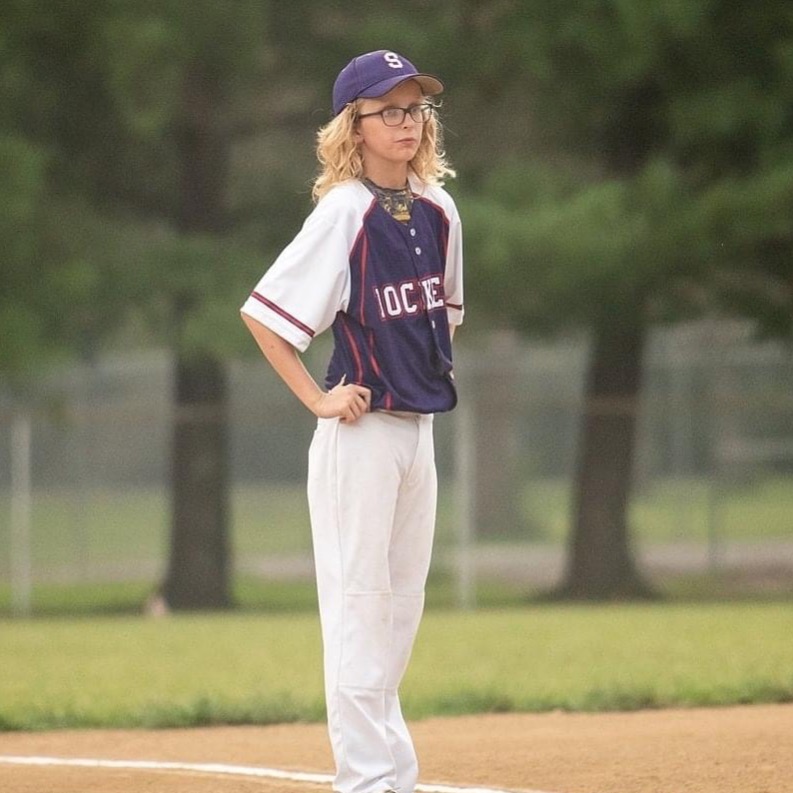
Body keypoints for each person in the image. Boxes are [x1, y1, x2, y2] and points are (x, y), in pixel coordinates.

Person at [240, 49, 463, 793]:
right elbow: (265, 316)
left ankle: (393, 773)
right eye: (387, 110)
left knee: (399, 610)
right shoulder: (342, 211)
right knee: (361, 609)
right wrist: (317, 398)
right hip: (361, 437)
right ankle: (366, 780)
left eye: (415, 108)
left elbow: (443, 318)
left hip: (417, 431)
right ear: (353, 126)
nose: (406, 122)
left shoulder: (439, 208)